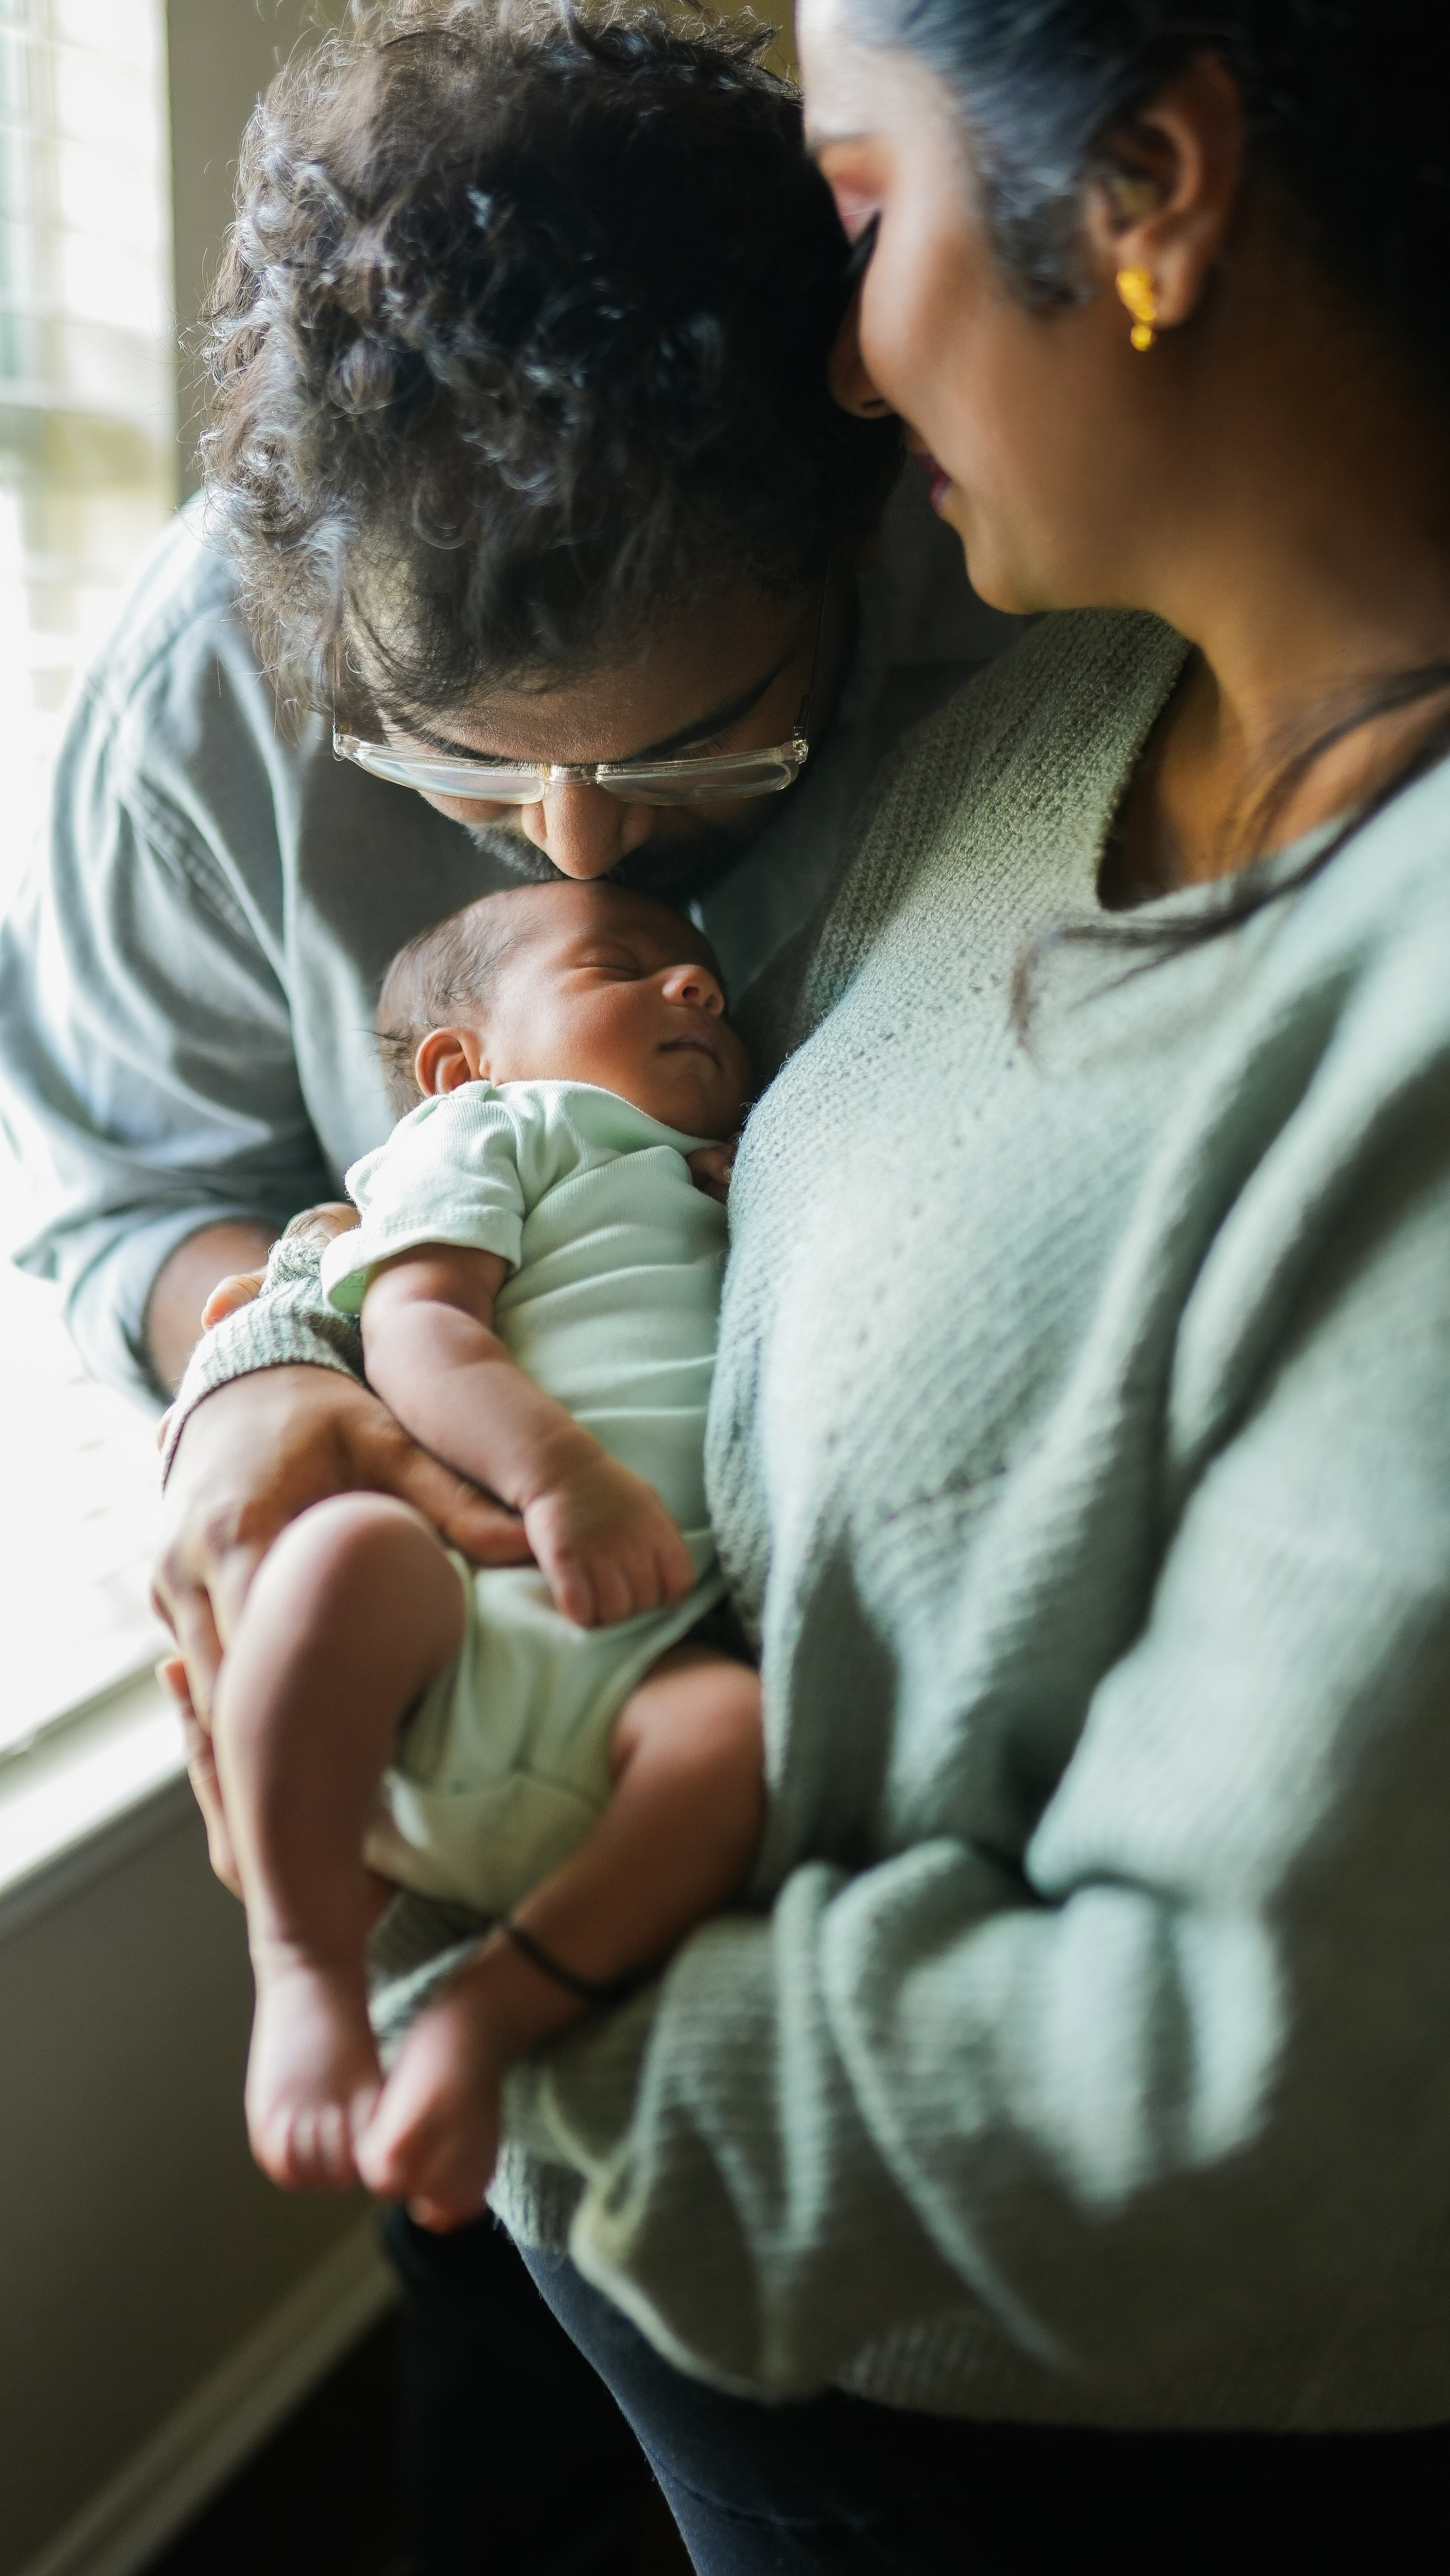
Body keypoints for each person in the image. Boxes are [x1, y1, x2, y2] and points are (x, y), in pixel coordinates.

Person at [166, 0, 1450, 2564]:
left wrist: (481, 2008)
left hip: (1040, 2456)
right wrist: (273, 1373)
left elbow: (1246, 2089)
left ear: (1154, 195)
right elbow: (582, 1161)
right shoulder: (1050, 735)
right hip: (707, 2351)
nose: (846, 358)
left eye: (863, 212)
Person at [0, 11, 1018, 2563]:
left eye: (704, 749)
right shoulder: (183, 700)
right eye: (465, 781)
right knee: (494, 2391)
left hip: (906, 1843)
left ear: (853, 501)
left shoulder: (1019, 587)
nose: (583, 852)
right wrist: (262, 1358)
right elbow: (119, 1182)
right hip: (487, 1737)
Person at [211, 879, 762, 2227]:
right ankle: (303, 1968)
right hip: (464, 1599)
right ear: (466, 1061)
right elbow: (419, 1333)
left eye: (706, 983)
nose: (692, 988)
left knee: (736, 1739)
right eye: (619, 966)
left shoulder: (714, 1171)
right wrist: (555, 1470)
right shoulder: (496, 1127)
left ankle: (484, 2014)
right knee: (342, 1557)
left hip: (640, 1673)